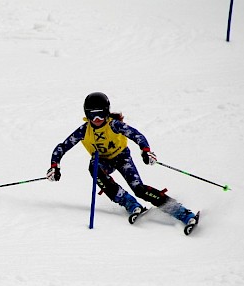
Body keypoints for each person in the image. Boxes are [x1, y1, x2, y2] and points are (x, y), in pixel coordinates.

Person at [46, 92, 197, 225]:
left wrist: (146, 151)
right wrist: (55, 166)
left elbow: (136, 135)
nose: (97, 119)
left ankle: (182, 213)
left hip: (122, 158)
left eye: (100, 114)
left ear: (106, 112)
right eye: (92, 115)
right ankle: (130, 204)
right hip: (103, 161)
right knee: (94, 167)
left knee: (139, 189)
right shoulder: (84, 130)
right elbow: (62, 147)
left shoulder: (114, 125)